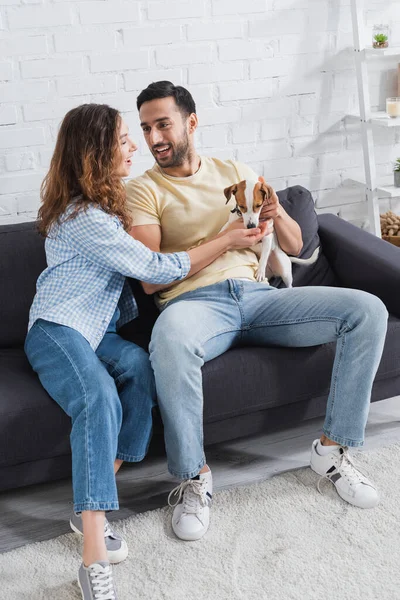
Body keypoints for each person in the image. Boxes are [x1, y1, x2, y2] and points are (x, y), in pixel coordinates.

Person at [126, 81, 389, 543]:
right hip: (193, 305)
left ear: (191, 122)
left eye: (162, 124)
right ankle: (193, 479)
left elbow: (295, 245)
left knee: (368, 310)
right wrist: (225, 240)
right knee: (168, 340)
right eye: (146, 128)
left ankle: (332, 450)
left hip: (260, 295)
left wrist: (277, 211)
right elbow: (151, 278)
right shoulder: (143, 191)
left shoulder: (236, 170)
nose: (153, 138)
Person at [24, 103, 266, 599]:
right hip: (57, 328)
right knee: (99, 398)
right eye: (122, 139)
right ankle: (92, 555)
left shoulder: (106, 208)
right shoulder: (82, 216)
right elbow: (156, 266)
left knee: (139, 370)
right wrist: (224, 241)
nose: (135, 145)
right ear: (95, 151)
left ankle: (88, 496)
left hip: (98, 331)